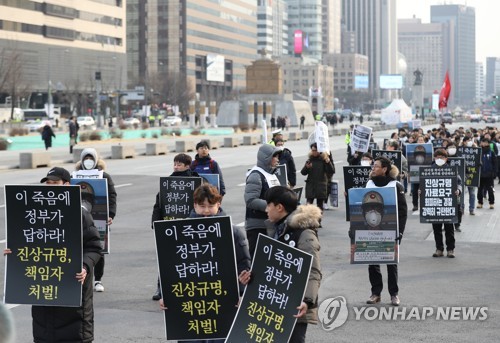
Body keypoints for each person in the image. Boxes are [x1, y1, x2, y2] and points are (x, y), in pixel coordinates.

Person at [5, 167, 102, 342]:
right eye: (48, 183)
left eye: (55, 183)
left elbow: (95, 247)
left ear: (67, 185)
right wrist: (14, 253)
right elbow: (27, 246)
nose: (50, 187)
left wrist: (85, 266)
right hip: (43, 292)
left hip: (72, 292)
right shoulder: (35, 214)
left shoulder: (80, 213)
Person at [159, 184, 251, 343]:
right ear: (194, 205)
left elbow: (243, 263)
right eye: (202, 206)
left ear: (219, 204)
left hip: (223, 299)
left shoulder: (232, 231)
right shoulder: (179, 230)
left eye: (211, 206)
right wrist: (164, 293)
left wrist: (242, 291)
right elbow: (168, 265)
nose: (206, 211)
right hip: (189, 298)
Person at [239, 186, 322, 343]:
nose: (266, 209)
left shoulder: (304, 233)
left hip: (295, 306)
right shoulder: (277, 229)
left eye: (268, 205)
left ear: (279, 207)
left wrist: (307, 300)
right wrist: (250, 279)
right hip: (274, 304)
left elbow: (313, 270)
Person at [355, 156, 407, 306]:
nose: (373, 168)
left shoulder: (396, 185)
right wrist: (355, 229)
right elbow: (360, 207)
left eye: (376, 166)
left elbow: (402, 212)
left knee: (391, 263)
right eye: (373, 165)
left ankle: (394, 294)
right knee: (372, 261)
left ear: (384, 169)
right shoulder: (369, 183)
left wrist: (400, 232)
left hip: (390, 230)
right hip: (371, 229)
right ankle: (375, 293)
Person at [151, 153, 200, 300]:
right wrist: (155, 222)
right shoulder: (168, 181)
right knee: (166, 258)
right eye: (175, 164)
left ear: (187, 165)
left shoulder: (195, 181)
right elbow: (159, 203)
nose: (176, 167)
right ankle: (161, 288)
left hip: (189, 227)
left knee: (190, 259)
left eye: (179, 164)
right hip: (169, 226)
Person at [75, 148, 118, 292]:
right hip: (79, 219)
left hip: (98, 218)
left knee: (98, 248)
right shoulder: (74, 176)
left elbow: (111, 196)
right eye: (85, 158)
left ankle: (98, 279)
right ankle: (81, 276)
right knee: (79, 248)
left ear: (95, 160)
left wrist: (110, 214)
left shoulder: (104, 176)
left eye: (91, 158)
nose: (88, 161)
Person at [244, 144, 281, 256]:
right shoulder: (256, 175)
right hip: (257, 225)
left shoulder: (271, 174)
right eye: (275, 156)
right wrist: (272, 207)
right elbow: (250, 200)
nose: (277, 159)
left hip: (270, 223)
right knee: (258, 260)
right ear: (267, 158)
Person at [427, 149, 461, 258]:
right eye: (437, 157)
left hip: (448, 203)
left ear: (446, 159)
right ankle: (439, 249)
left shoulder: (452, 170)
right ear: (434, 158)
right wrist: (421, 192)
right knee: (436, 228)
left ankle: (450, 249)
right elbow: (424, 184)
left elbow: (459, 183)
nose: (439, 159)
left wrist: (458, 191)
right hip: (434, 203)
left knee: (449, 228)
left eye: (442, 157)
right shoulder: (429, 170)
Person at [301, 143, 334, 211]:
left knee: (319, 206)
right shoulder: (310, 160)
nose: (314, 152)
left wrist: (328, 163)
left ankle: (318, 220)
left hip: (321, 185)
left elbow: (331, 171)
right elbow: (303, 173)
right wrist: (306, 167)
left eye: (315, 150)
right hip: (311, 185)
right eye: (312, 150)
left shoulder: (324, 160)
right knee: (308, 205)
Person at [477, 138, 496, 210]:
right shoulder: (478, 152)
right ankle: (480, 202)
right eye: (482, 142)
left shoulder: (491, 152)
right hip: (480, 174)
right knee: (480, 189)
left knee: (490, 189)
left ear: (488, 143)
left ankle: (491, 203)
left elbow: (495, 163)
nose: (484, 143)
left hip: (489, 174)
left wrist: (494, 172)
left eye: (485, 142)